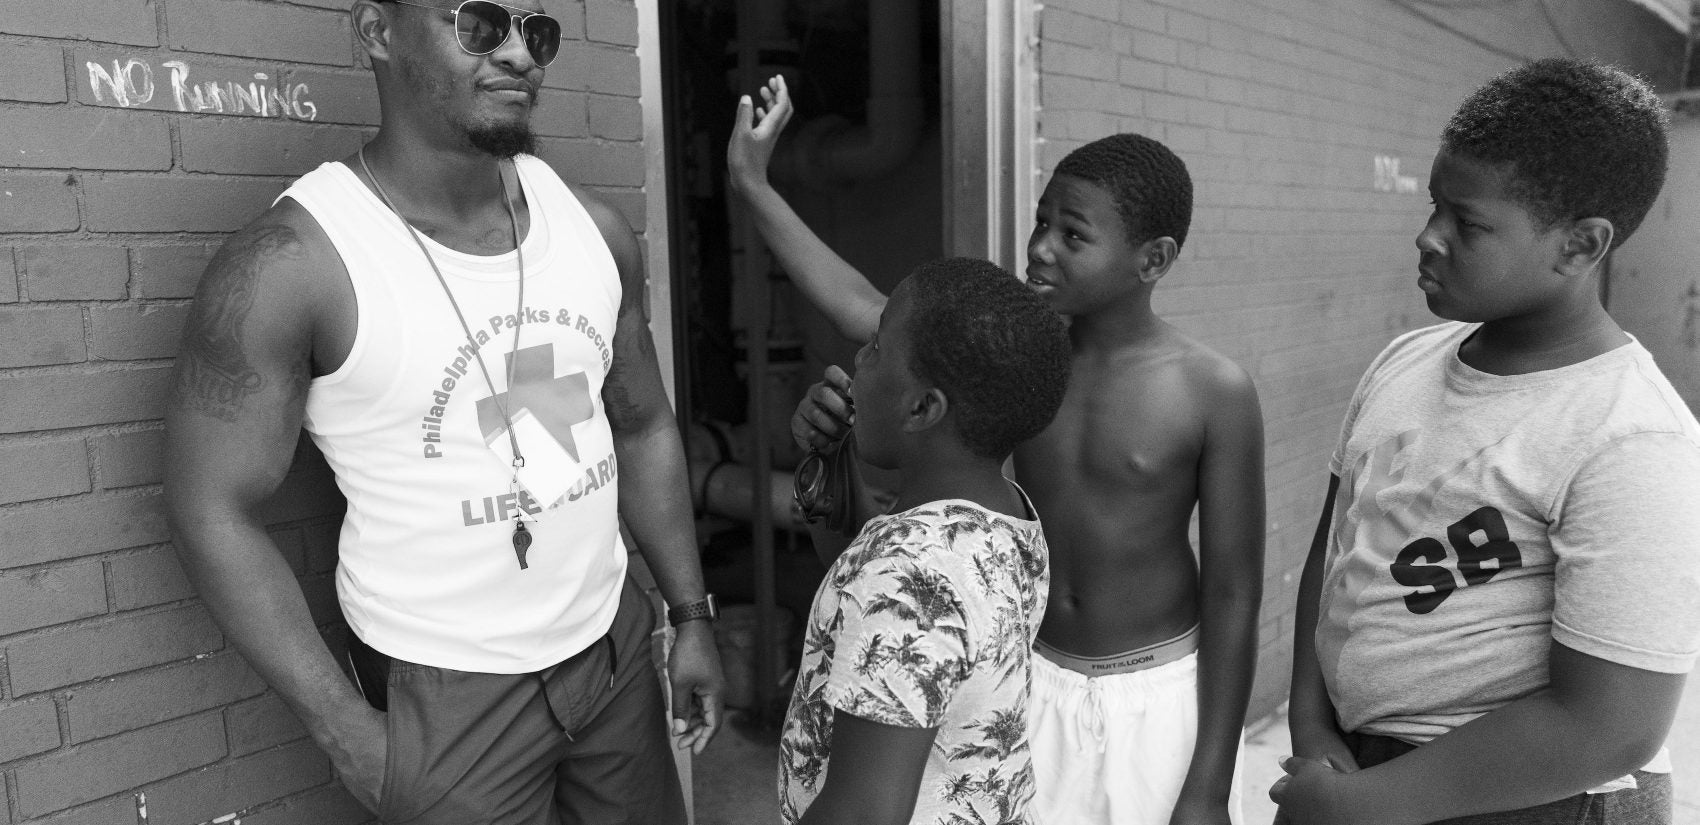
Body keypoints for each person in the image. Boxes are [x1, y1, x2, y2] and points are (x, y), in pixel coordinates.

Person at [163, 1, 723, 822]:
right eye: (481, 22)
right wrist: (346, 729)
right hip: (445, 694)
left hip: (613, 658)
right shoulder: (298, 263)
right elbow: (208, 506)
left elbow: (641, 427)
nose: (521, 56)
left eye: (537, 33)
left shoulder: (594, 233)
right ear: (376, 32)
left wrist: (691, 613)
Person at [733, 77, 1266, 825]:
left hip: (1157, 692)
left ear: (1153, 259)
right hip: (1031, 684)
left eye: (1072, 235)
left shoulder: (1213, 390)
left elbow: (1235, 591)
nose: (1041, 247)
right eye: (1042, 220)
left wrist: (1208, 781)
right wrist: (751, 182)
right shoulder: (1015, 360)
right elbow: (860, 303)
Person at [1276, 58, 1700, 825]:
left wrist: (1367, 805)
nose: (1428, 237)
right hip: (1362, 770)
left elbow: (1611, 726)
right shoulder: (1404, 362)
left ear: (1580, 246)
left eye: (1466, 223)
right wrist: (1314, 730)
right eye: (1435, 205)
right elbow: (1332, 559)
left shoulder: (1632, 436)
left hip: (1531, 795)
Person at [777, 257, 1070, 825]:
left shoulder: (911, 574)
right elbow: (861, 579)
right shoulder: (1000, 514)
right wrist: (832, 460)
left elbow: (863, 814)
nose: (858, 360)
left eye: (878, 348)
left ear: (921, 408)